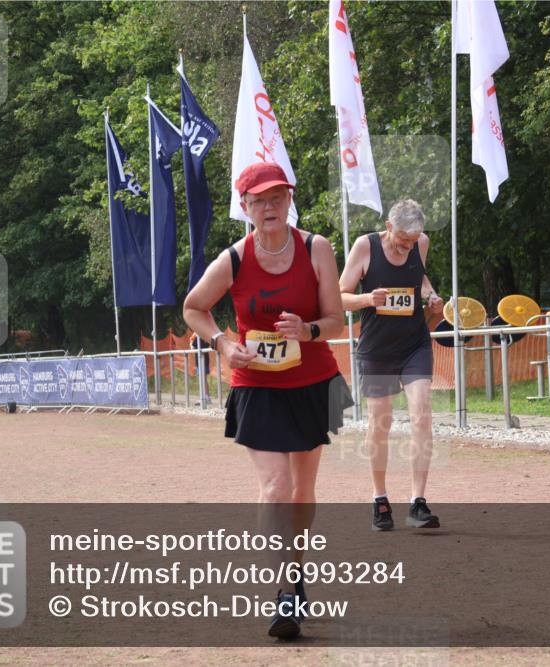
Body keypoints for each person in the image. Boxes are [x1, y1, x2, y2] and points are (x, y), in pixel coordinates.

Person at [182, 162, 350, 640]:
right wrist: (222, 343)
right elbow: (193, 308)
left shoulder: (316, 248)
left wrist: (309, 329)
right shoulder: (233, 259)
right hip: (256, 385)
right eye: (260, 199)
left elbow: (336, 320)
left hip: (312, 381)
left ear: (288, 200)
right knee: (275, 487)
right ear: (246, 208)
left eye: (278, 197)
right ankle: (283, 589)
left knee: (301, 491)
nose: (271, 206)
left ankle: (296, 570)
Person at [338, 199, 445, 532]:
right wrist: (368, 299)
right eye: (402, 240)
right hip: (377, 349)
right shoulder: (365, 247)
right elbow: (340, 294)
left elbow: (419, 277)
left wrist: (430, 294)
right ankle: (379, 498)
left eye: (413, 241)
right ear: (388, 227)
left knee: (422, 414)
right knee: (380, 422)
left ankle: (418, 502)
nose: (407, 247)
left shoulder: (420, 244)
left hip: (414, 344)